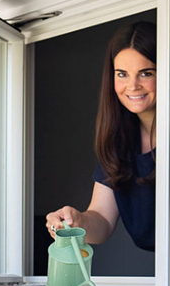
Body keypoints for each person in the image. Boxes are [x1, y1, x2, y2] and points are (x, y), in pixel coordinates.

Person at [45, 21, 157, 252]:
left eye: (146, 73)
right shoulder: (120, 138)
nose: (133, 86)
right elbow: (103, 220)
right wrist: (76, 222)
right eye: (122, 74)